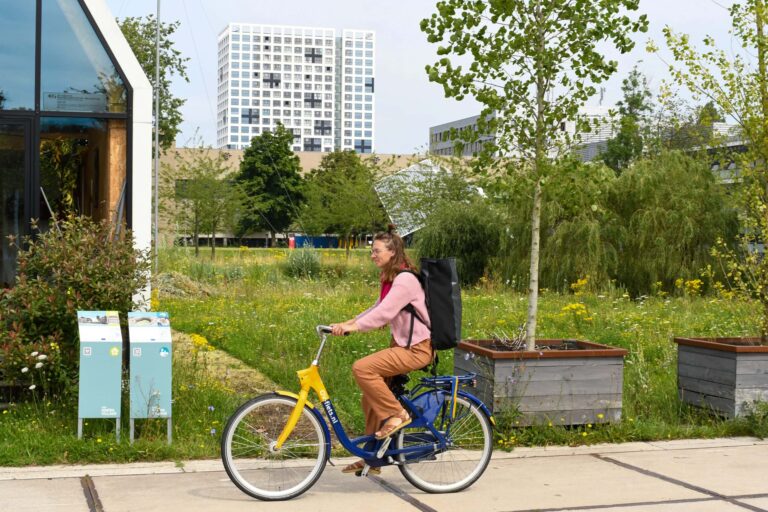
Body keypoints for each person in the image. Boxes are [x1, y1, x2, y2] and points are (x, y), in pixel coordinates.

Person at [331, 226, 432, 475]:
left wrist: (354, 328)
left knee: (362, 368)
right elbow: (377, 307)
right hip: (402, 346)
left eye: (376, 251)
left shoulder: (406, 279)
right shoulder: (390, 278)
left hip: (417, 349)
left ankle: (398, 415)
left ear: (392, 251)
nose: (372, 255)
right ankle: (373, 458)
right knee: (370, 398)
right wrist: (348, 323)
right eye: (371, 251)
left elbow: (384, 315)